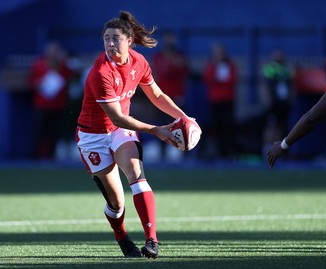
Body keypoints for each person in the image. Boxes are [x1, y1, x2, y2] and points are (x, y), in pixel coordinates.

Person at [76, 11, 199, 259]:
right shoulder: (100, 72)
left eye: (116, 38)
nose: (110, 44)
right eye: (106, 39)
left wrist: (183, 118)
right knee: (116, 203)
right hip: (93, 136)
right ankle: (121, 237)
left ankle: (152, 240)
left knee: (137, 176)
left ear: (129, 41)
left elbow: (157, 96)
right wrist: (156, 130)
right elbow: (117, 117)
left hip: (121, 131)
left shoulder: (139, 62)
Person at [28, 41, 74, 159]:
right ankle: (36, 155)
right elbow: (31, 81)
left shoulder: (63, 65)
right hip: (42, 104)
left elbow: (71, 75)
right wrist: (38, 84)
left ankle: (51, 155)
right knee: (40, 130)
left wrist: (64, 60)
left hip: (58, 104)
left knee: (55, 131)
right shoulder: (39, 64)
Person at [152, 31, 190, 160]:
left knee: (179, 125)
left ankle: (182, 151)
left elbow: (182, 71)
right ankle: (162, 152)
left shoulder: (179, 56)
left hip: (176, 96)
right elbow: (161, 72)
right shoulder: (159, 57)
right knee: (161, 125)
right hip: (162, 98)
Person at [203, 42, 237, 159]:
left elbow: (231, 80)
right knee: (216, 127)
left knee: (227, 126)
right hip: (215, 101)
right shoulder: (211, 65)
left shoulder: (229, 64)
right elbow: (208, 78)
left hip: (227, 100)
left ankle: (228, 151)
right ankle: (218, 151)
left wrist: (218, 81)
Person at [262, 48, 296, 154]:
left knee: (281, 127)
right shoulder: (270, 68)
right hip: (274, 103)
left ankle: (277, 149)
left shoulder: (287, 70)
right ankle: (267, 147)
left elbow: (292, 86)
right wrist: (267, 100)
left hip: (284, 103)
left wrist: (291, 99)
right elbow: (265, 86)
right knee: (272, 126)